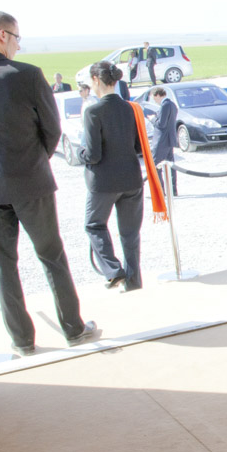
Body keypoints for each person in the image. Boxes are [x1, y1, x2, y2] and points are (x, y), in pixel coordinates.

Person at [0, 11, 99, 355]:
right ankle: (73, 328)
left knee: (3, 263)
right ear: (2, 35)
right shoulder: (27, 75)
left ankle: (22, 341)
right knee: (52, 256)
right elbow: (52, 128)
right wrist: (33, 160)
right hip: (32, 181)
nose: (17, 44)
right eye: (16, 37)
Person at [77, 60, 145, 292]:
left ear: (96, 80)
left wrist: (80, 152)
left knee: (94, 225)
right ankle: (134, 283)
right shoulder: (130, 108)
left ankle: (114, 271)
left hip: (104, 182)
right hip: (131, 179)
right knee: (130, 235)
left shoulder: (93, 111)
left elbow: (93, 155)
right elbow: (138, 147)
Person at [149, 86, 179, 195]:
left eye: (154, 98)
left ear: (157, 95)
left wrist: (152, 119)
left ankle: (160, 190)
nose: (154, 100)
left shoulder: (165, 106)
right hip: (169, 139)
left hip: (162, 140)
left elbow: (161, 124)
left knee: (156, 164)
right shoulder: (172, 105)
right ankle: (173, 189)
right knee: (171, 165)